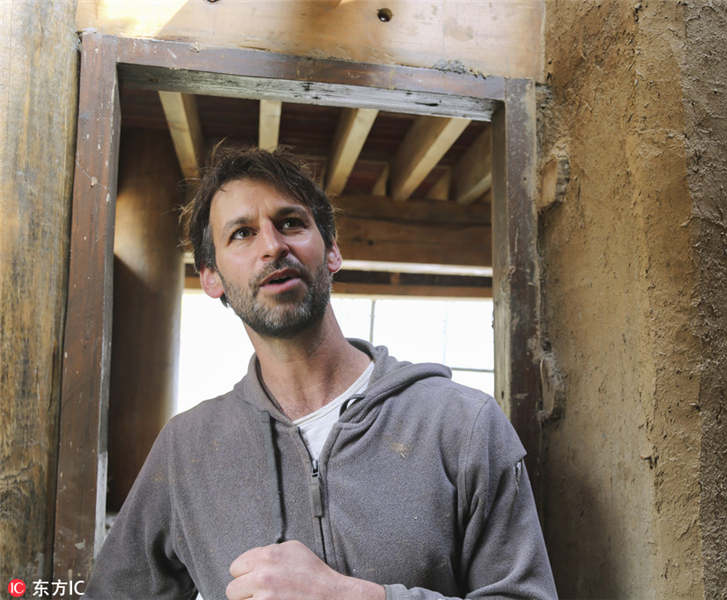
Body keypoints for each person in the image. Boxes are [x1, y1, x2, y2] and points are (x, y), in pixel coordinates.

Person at [85, 147, 557, 600]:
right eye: (242, 234)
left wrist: (354, 597)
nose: (273, 246)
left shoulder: (461, 423)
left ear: (332, 251)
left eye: (290, 223)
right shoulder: (186, 448)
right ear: (211, 276)